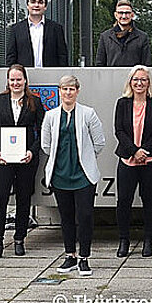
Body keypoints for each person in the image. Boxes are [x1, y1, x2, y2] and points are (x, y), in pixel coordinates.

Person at [41, 75, 106, 277]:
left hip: (83, 176)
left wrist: (85, 158)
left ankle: (84, 258)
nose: (68, 92)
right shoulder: (51, 116)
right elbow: (46, 145)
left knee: (85, 216)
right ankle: (70, 255)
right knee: (66, 217)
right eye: (64, 89)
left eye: (72, 89)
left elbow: (99, 142)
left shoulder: (88, 113)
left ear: (78, 91)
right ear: (59, 91)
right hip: (60, 175)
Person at [0, 64, 46, 260]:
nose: (15, 83)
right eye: (12, 79)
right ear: (7, 81)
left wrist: (32, 152)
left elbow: (43, 129)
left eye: (19, 79)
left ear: (25, 80)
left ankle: (20, 239)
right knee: (0, 199)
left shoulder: (34, 101)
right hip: (4, 159)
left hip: (26, 158)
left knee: (23, 199)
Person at [113, 65, 152, 258]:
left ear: (149, 82)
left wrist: (144, 150)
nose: (139, 83)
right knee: (124, 201)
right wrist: (134, 151)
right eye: (136, 79)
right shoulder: (122, 103)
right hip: (127, 160)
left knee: (150, 201)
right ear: (130, 82)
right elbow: (119, 130)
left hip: (151, 159)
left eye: (143, 79)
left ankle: (148, 240)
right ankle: (124, 240)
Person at [6, 0, 69, 67]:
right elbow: (11, 57)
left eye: (40, 2)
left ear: (45, 7)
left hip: (51, 76)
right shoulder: (16, 29)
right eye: (33, 2)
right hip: (25, 76)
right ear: (27, 5)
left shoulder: (56, 29)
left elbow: (62, 56)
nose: (36, 5)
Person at [96, 0, 152, 67]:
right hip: (112, 77)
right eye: (120, 12)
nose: (124, 16)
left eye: (127, 13)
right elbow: (100, 64)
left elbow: (146, 64)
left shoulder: (142, 37)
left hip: (133, 77)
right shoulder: (105, 37)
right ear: (115, 15)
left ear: (132, 15)